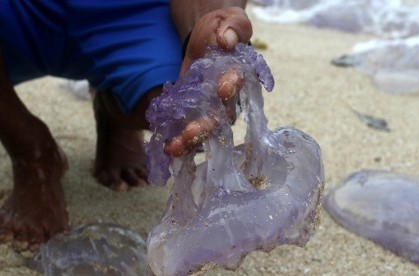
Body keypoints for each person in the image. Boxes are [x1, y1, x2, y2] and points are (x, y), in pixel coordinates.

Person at [0, 0, 252, 249]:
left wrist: (214, 23)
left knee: (182, 107)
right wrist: (27, 148)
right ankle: (32, 151)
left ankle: (114, 112)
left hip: (132, 10)